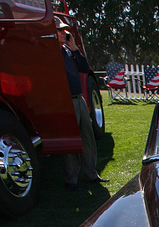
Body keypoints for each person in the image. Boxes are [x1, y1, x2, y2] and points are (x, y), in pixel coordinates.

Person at [56, 18, 108, 190]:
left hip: (79, 99)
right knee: (71, 141)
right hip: (65, 101)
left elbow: (84, 68)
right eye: (60, 30)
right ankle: (71, 179)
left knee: (87, 137)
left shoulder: (69, 51)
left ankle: (90, 173)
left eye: (65, 30)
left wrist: (75, 49)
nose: (64, 33)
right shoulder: (51, 54)